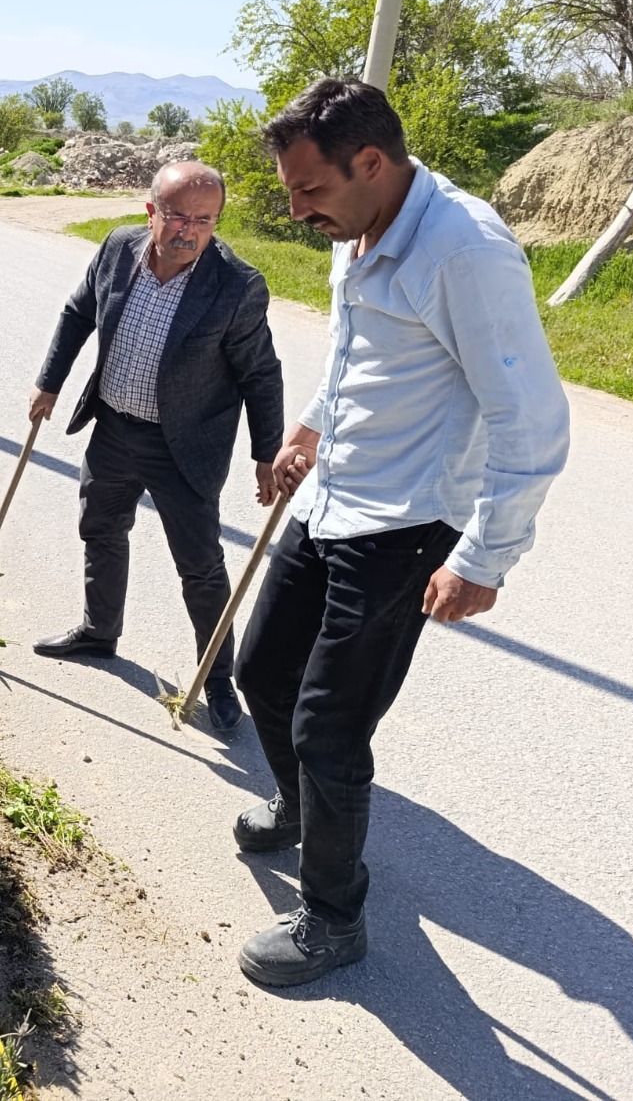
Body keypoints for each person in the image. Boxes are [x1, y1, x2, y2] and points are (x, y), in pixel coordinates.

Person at [231, 79, 571, 987]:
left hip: (409, 523)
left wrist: (486, 558)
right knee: (259, 669)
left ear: (370, 163)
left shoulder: (465, 252)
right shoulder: (361, 224)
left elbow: (531, 420)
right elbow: (357, 355)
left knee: (329, 730)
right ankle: (306, 812)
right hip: (336, 496)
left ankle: (334, 918)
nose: (296, 209)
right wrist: (306, 432)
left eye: (310, 191)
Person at [29, 162, 285, 731]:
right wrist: (50, 382)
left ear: (216, 223)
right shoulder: (119, 248)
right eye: (177, 216)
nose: (189, 231)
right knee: (100, 528)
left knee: (200, 567)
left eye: (204, 220)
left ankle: (217, 681)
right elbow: (78, 313)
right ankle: (99, 631)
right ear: (151, 213)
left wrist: (267, 454)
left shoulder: (237, 286)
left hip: (185, 448)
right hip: (115, 429)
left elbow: (261, 374)